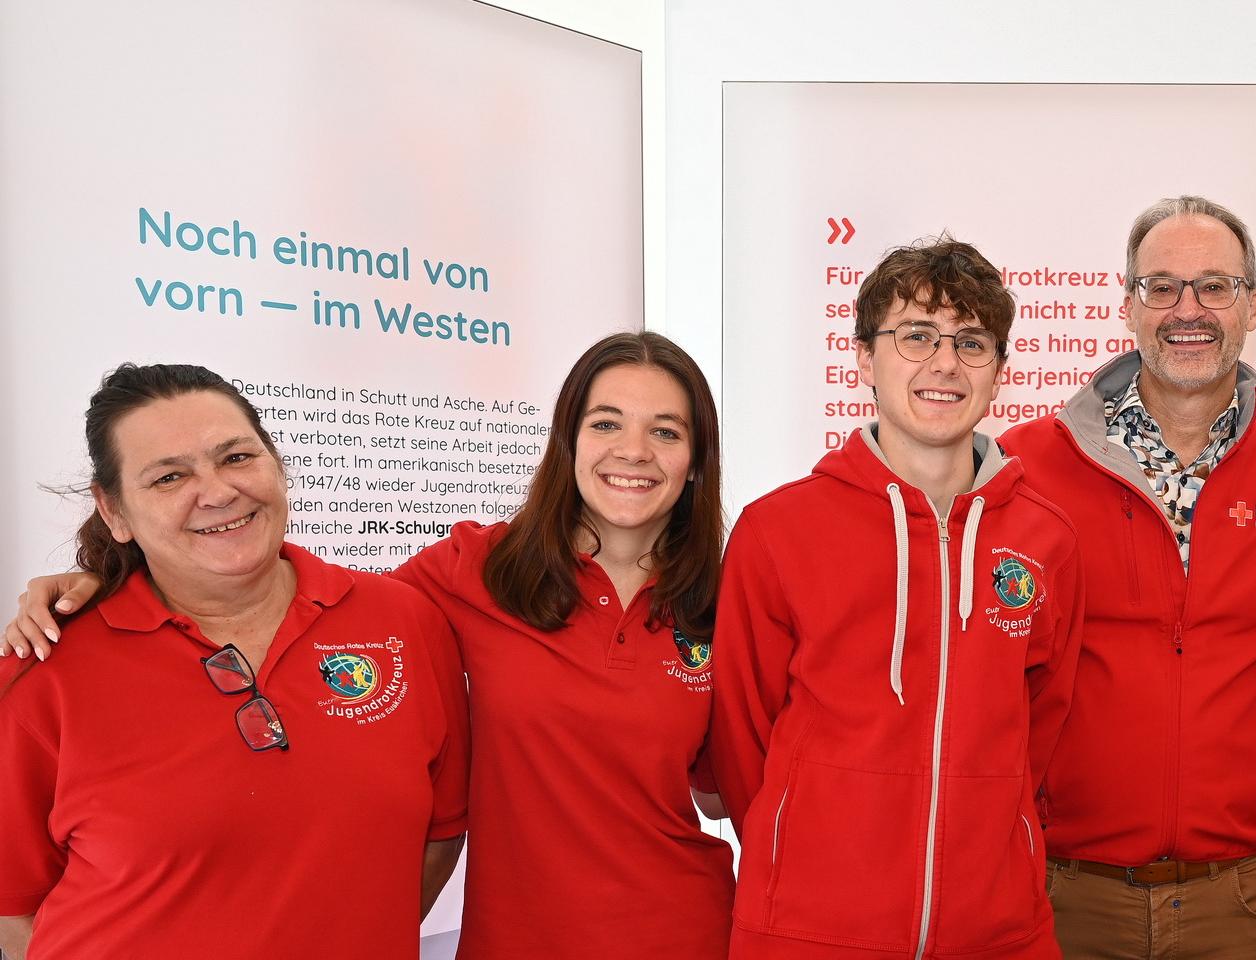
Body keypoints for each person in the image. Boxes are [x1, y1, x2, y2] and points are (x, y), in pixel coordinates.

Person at [3, 333, 736, 958]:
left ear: (696, 456)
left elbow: (721, 789)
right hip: (516, 940)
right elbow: (286, 593)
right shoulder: (472, 572)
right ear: (568, 439)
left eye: (666, 432)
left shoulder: (728, 599)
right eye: (606, 423)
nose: (633, 451)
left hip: (687, 929)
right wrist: (100, 580)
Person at [0, 363, 470, 959]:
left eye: (237, 457)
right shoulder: (44, 669)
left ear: (276, 464)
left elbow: (440, 834)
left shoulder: (404, 620)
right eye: (169, 477)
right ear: (114, 511)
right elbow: (13, 908)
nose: (218, 492)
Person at [709, 236, 1085, 959]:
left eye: (971, 342)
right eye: (916, 336)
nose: (944, 363)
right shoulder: (778, 530)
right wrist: (806, 848)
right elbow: (740, 737)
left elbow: (1042, 729)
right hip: (808, 932)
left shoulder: (1049, 540)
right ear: (863, 358)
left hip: (997, 933)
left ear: (1000, 371)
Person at [998, 196, 1256, 958]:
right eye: (1162, 287)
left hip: (1236, 899)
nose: (1188, 310)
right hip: (1060, 890)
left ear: (1252, 306)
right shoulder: (1026, 466)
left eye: (1214, 286)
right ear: (1127, 306)